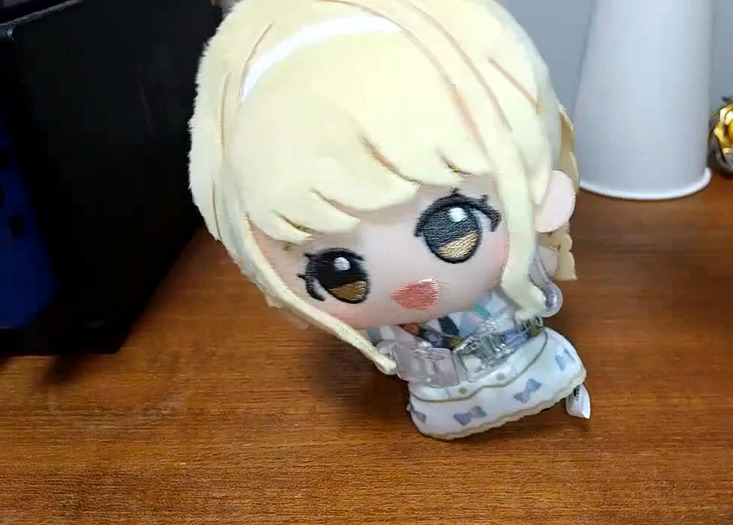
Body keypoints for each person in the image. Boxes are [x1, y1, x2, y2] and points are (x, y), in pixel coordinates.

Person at [188, 0, 588, 439]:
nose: (408, 285)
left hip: (541, 369)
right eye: (339, 275)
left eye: (454, 229)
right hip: (438, 405)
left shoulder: (510, 277)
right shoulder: (390, 328)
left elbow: (542, 274)